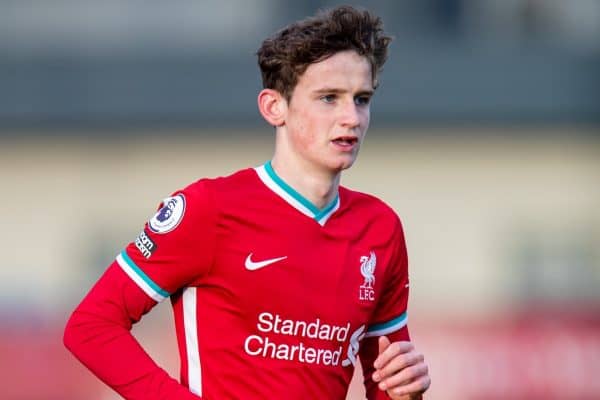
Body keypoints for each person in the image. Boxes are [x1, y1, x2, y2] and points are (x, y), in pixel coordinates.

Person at [64, 5, 431, 400]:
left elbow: (386, 384)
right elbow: (90, 326)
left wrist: (406, 393)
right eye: (329, 98)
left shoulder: (380, 228)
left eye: (361, 99)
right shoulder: (209, 207)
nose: (352, 117)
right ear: (275, 107)